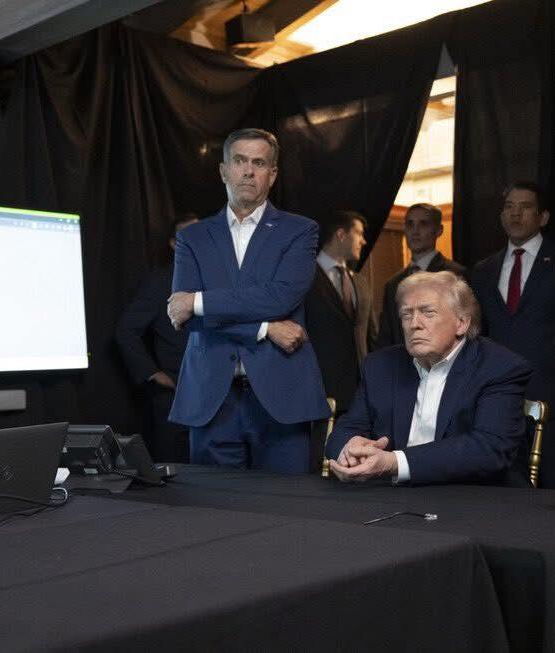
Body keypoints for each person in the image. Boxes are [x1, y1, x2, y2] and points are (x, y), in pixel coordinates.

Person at [167, 128, 328, 473]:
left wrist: (198, 301)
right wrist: (265, 329)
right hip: (212, 398)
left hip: (282, 395)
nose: (248, 171)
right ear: (223, 170)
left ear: (273, 174)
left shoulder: (300, 230)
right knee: (213, 502)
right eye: (239, 161)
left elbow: (280, 297)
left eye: (259, 163)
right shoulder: (192, 238)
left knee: (288, 503)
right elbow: (187, 319)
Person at [325, 271, 532, 485]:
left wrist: (395, 462)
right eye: (406, 315)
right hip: (392, 495)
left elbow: (488, 448)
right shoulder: (380, 366)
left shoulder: (499, 367)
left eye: (428, 312)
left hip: (475, 494)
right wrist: (350, 450)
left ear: (461, 323)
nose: (414, 324)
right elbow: (345, 430)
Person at [469, 181, 555, 487]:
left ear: (543, 217)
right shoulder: (483, 270)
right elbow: (479, 337)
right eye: (508, 207)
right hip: (501, 404)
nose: (515, 214)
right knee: (505, 493)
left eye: (525, 207)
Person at [115, 214, 198, 463]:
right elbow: (126, 330)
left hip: (221, 399)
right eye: (187, 236)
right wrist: (153, 373)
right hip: (175, 397)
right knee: (176, 471)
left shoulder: (221, 280)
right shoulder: (160, 282)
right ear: (174, 244)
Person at [304, 210, 377, 412]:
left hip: (362, 393)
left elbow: (371, 336)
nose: (363, 241)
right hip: (320, 393)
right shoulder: (303, 278)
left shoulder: (361, 282)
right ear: (341, 234)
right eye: (359, 234)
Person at [374, 203, 465, 350]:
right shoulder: (392, 284)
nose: (415, 231)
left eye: (423, 224)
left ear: (439, 230)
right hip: (401, 363)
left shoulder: (456, 275)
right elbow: (386, 339)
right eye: (410, 224)